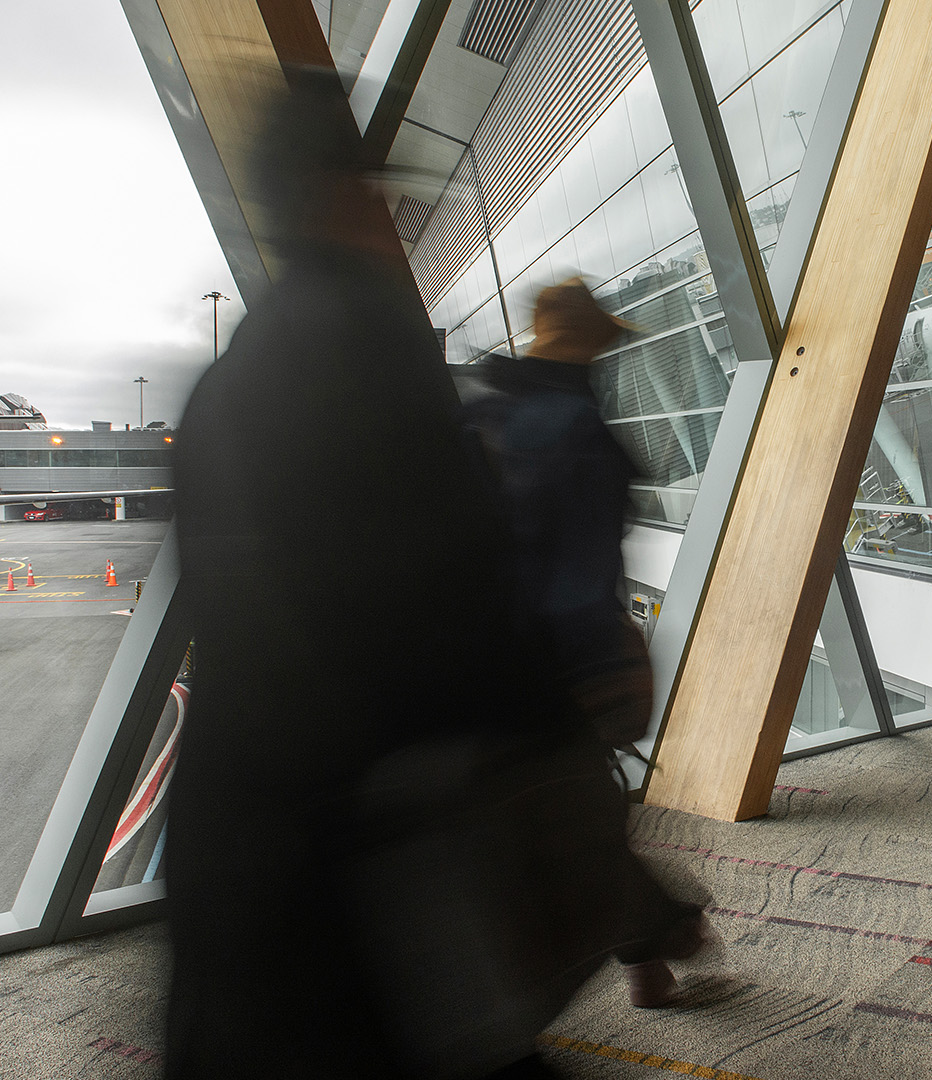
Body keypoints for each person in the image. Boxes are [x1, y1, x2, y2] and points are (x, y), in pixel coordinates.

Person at [169, 73, 647, 1079]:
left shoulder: (225, 385)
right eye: (372, 189)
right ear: (338, 192)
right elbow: (452, 580)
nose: (384, 212)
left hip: (242, 825)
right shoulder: (367, 341)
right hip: (376, 821)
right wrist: (554, 741)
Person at [464, 278, 711, 1008]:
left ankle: (652, 957)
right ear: (588, 348)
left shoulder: (485, 413)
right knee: (580, 811)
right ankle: (662, 939)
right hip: (557, 657)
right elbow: (577, 573)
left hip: (484, 650)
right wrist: (607, 665)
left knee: (573, 805)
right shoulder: (575, 426)